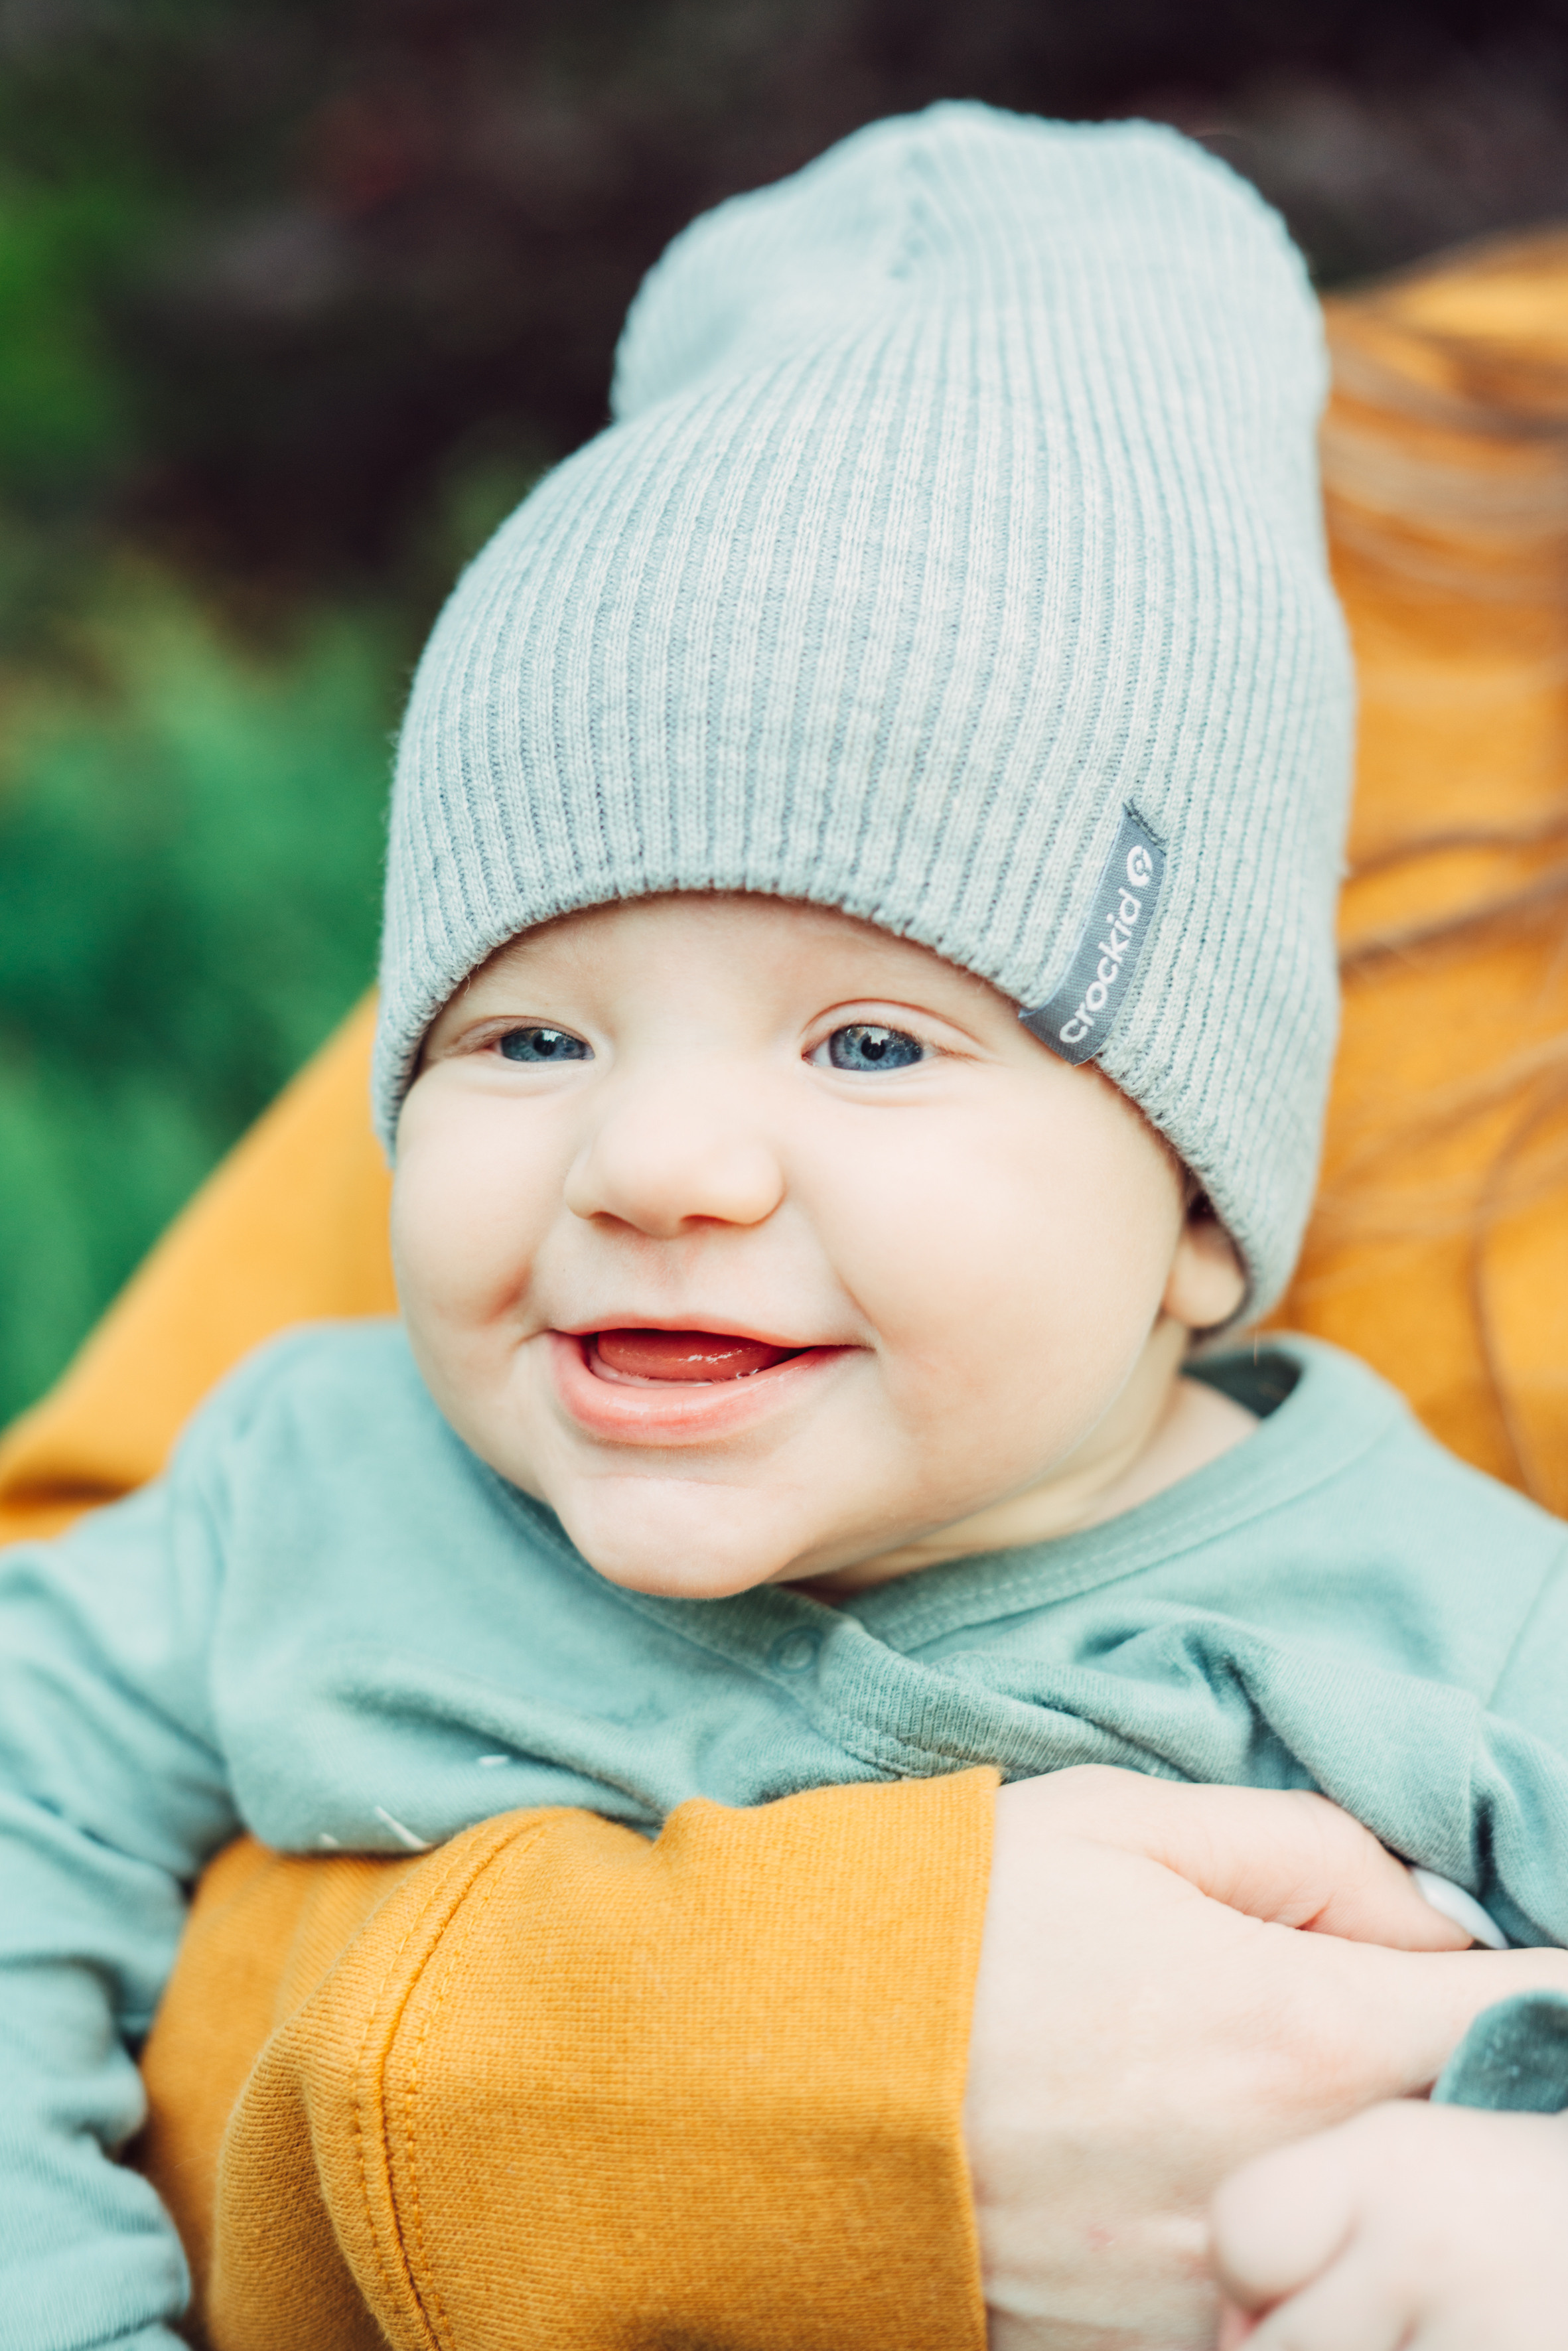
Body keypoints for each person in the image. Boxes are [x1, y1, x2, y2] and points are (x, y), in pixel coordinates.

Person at [5, 102, 1568, 2351]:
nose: (653, 1165)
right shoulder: (300, 1498)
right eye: (529, 1039)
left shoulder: (1443, 1639)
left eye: (865, 1047)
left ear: (1194, 1220)